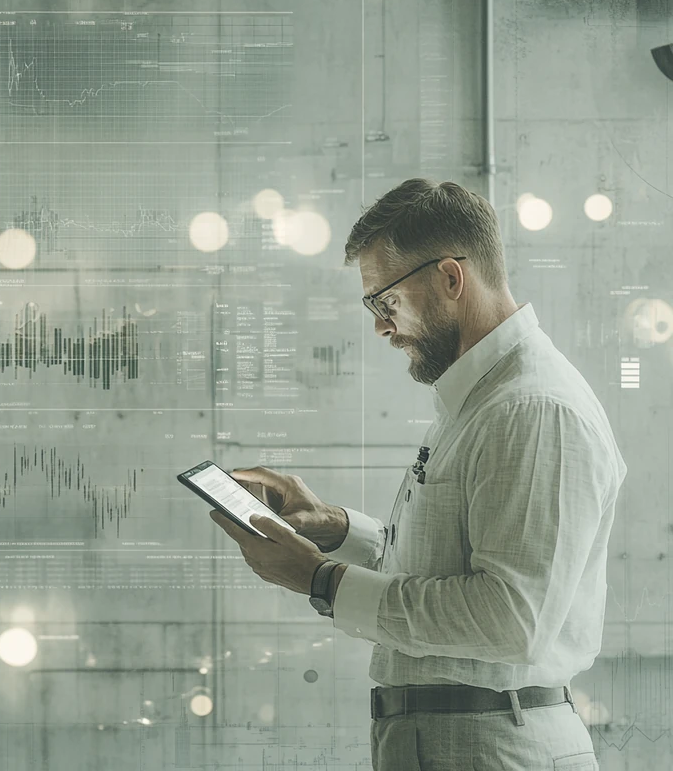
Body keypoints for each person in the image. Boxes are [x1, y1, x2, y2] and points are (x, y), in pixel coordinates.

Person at [210, 178, 627, 770]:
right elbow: (448, 568)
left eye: (386, 302)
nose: (382, 327)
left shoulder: (529, 410)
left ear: (451, 278)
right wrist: (334, 528)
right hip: (469, 741)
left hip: (491, 748)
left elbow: (511, 620)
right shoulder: (484, 400)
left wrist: (321, 580)